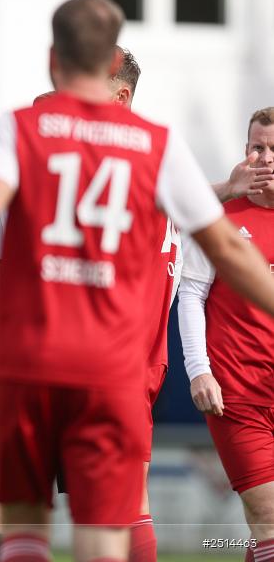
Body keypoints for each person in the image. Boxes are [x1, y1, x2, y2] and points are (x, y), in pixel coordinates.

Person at [0, 0, 274, 562]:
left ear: (55, 59)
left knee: (22, 524)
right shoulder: (157, 146)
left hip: (32, 361)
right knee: (106, 528)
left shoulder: (19, 131)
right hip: (113, 368)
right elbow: (226, 246)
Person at [178, 107, 274, 562]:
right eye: (258, 147)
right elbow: (191, 294)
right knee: (267, 517)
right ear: (245, 153)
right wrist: (199, 370)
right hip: (237, 394)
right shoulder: (216, 220)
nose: (266, 157)